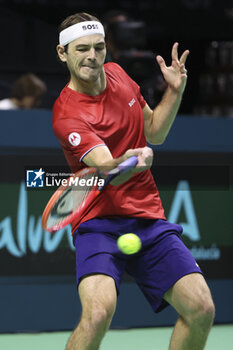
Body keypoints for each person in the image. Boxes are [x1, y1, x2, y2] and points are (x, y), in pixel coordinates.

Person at [54, 12, 215, 350]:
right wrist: (133, 159)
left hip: (147, 217)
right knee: (97, 315)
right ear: (62, 53)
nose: (92, 57)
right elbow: (107, 168)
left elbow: (154, 130)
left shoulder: (118, 74)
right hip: (98, 224)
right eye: (81, 49)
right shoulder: (68, 113)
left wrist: (174, 91)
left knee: (201, 308)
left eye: (99, 47)